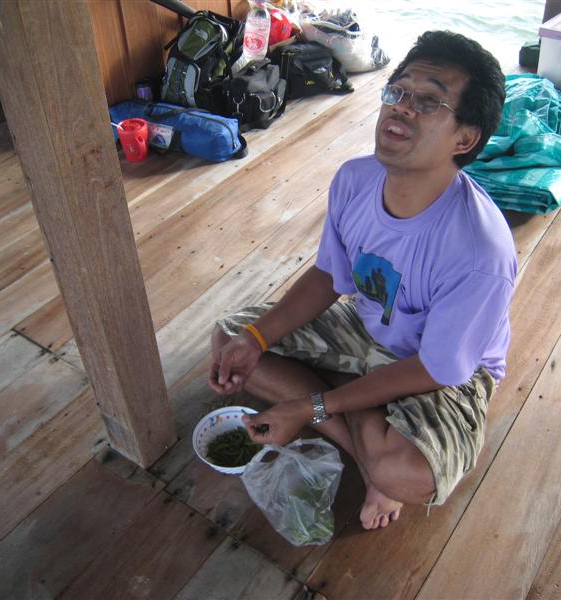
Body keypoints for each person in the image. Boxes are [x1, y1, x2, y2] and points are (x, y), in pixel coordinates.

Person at [209, 31, 517, 530]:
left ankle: (347, 404)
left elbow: (437, 368)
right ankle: (358, 442)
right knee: (231, 341)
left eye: (429, 101)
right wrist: (256, 338)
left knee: (407, 473)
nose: (402, 108)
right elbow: (328, 276)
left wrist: (308, 406)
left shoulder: (480, 251)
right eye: (398, 91)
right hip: (369, 324)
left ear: (464, 139)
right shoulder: (355, 180)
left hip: (445, 368)